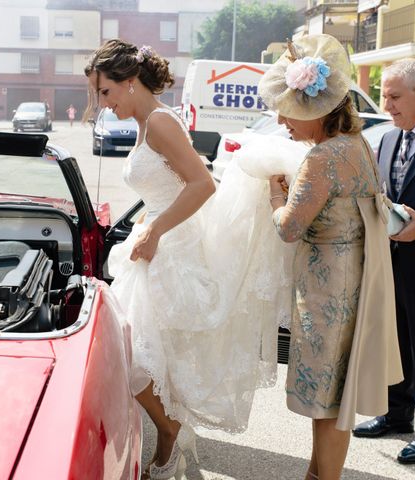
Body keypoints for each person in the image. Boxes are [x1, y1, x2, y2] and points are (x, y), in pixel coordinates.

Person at [85, 39, 286, 480]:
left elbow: (202, 184)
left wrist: (155, 230)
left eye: (105, 92)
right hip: (156, 241)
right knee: (144, 351)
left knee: (134, 352)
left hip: (170, 245)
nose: (102, 104)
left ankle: (171, 430)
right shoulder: (148, 122)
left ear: (131, 83)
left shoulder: (158, 122)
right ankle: (170, 430)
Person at [260, 34, 402, 480]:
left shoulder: (321, 157)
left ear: (315, 110)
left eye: (289, 111)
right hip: (352, 279)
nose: (282, 120)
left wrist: (273, 197)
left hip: (325, 292)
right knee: (335, 398)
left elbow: (288, 229)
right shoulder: (358, 144)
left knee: (327, 403)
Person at [352, 58, 415, 465]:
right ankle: (397, 414)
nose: (388, 106)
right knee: (396, 341)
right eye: (385, 97)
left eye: (394, 97)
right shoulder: (390, 140)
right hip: (393, 262)